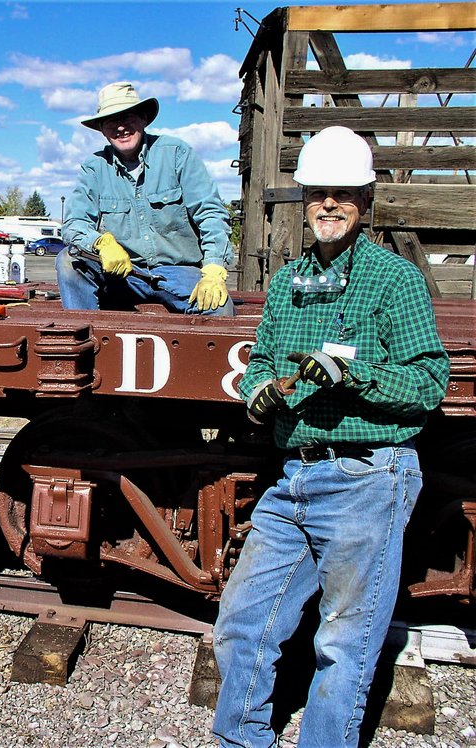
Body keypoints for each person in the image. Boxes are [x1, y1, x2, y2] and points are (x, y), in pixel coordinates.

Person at [212, 127, 449, 746]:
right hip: (294, 477)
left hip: (368, 475)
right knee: (241, 622)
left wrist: (356, 374)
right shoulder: (289, 282)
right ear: (305, 199)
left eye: (344, 194)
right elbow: (261, 359)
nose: (329, 204)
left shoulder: (394, 281)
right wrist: (256, 391)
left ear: (365, 202)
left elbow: (429, 383)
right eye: (319, 193)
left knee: (343, 643)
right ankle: (242, 739)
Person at [58, 81, 234, 315]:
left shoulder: (176, 153)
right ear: (102, 128)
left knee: (219, 310)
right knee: (69, 261)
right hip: (122, 276)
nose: (121, 127)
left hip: (179, 272)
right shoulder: (94, 168)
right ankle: (83, 338)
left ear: (143, 118)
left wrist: (213, 267)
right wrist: (100, 243)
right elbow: (73, 224)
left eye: (128, 117)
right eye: (112, 120)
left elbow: (210, 213)